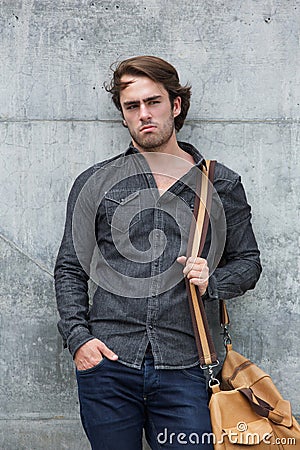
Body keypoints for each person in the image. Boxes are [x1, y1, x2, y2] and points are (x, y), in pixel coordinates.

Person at [54, 55, 262, 450]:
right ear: (123, 114)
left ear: (176, 105)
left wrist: (213, 281)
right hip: (108, 364)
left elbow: (249, 263)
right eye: (132, 106)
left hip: (185, 366)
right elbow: (70, 267)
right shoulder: (96, 182)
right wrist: (80, 340)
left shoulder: (220, 183)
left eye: (154, 102)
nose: (144, 114)